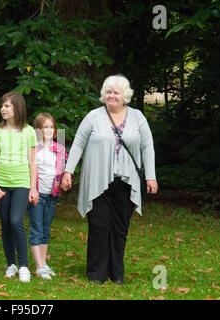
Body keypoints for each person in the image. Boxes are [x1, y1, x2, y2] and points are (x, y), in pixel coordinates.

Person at [61, 74, 158, 285]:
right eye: (108, 92)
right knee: (99, 226)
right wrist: (68, 172)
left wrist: (150, 176)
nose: (111, 95)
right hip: (97, 180)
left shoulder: (137, 117)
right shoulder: (93, 116)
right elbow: (78, 144)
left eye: (116, 92)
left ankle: (117, 273)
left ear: (125, 96)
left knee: (120, 228)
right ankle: (96, 273)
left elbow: (147, 146)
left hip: (127, 181)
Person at [0, 92, 38, 283]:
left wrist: (33, 188)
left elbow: (33, 162)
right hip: (2, 184)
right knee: (6, 223)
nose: (3, 108)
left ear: (18, 108)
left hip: (21, 183)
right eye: (2, 105)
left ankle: (24, 266)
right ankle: (11, 264)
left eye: (7, 106)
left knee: (16, 221)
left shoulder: (29, 131)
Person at [29, 113, 68, 280]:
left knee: (46, 230)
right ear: (38, 129)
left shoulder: (59, 149)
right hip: (37, 194)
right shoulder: (33, 148)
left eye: (51, 127)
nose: (49, 130)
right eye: (45, 126)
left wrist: (66, 180)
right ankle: (38, 266)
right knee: (36, 230)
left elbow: (64, 170)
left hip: (52, 195)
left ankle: (43, 263)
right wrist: (32, 190)